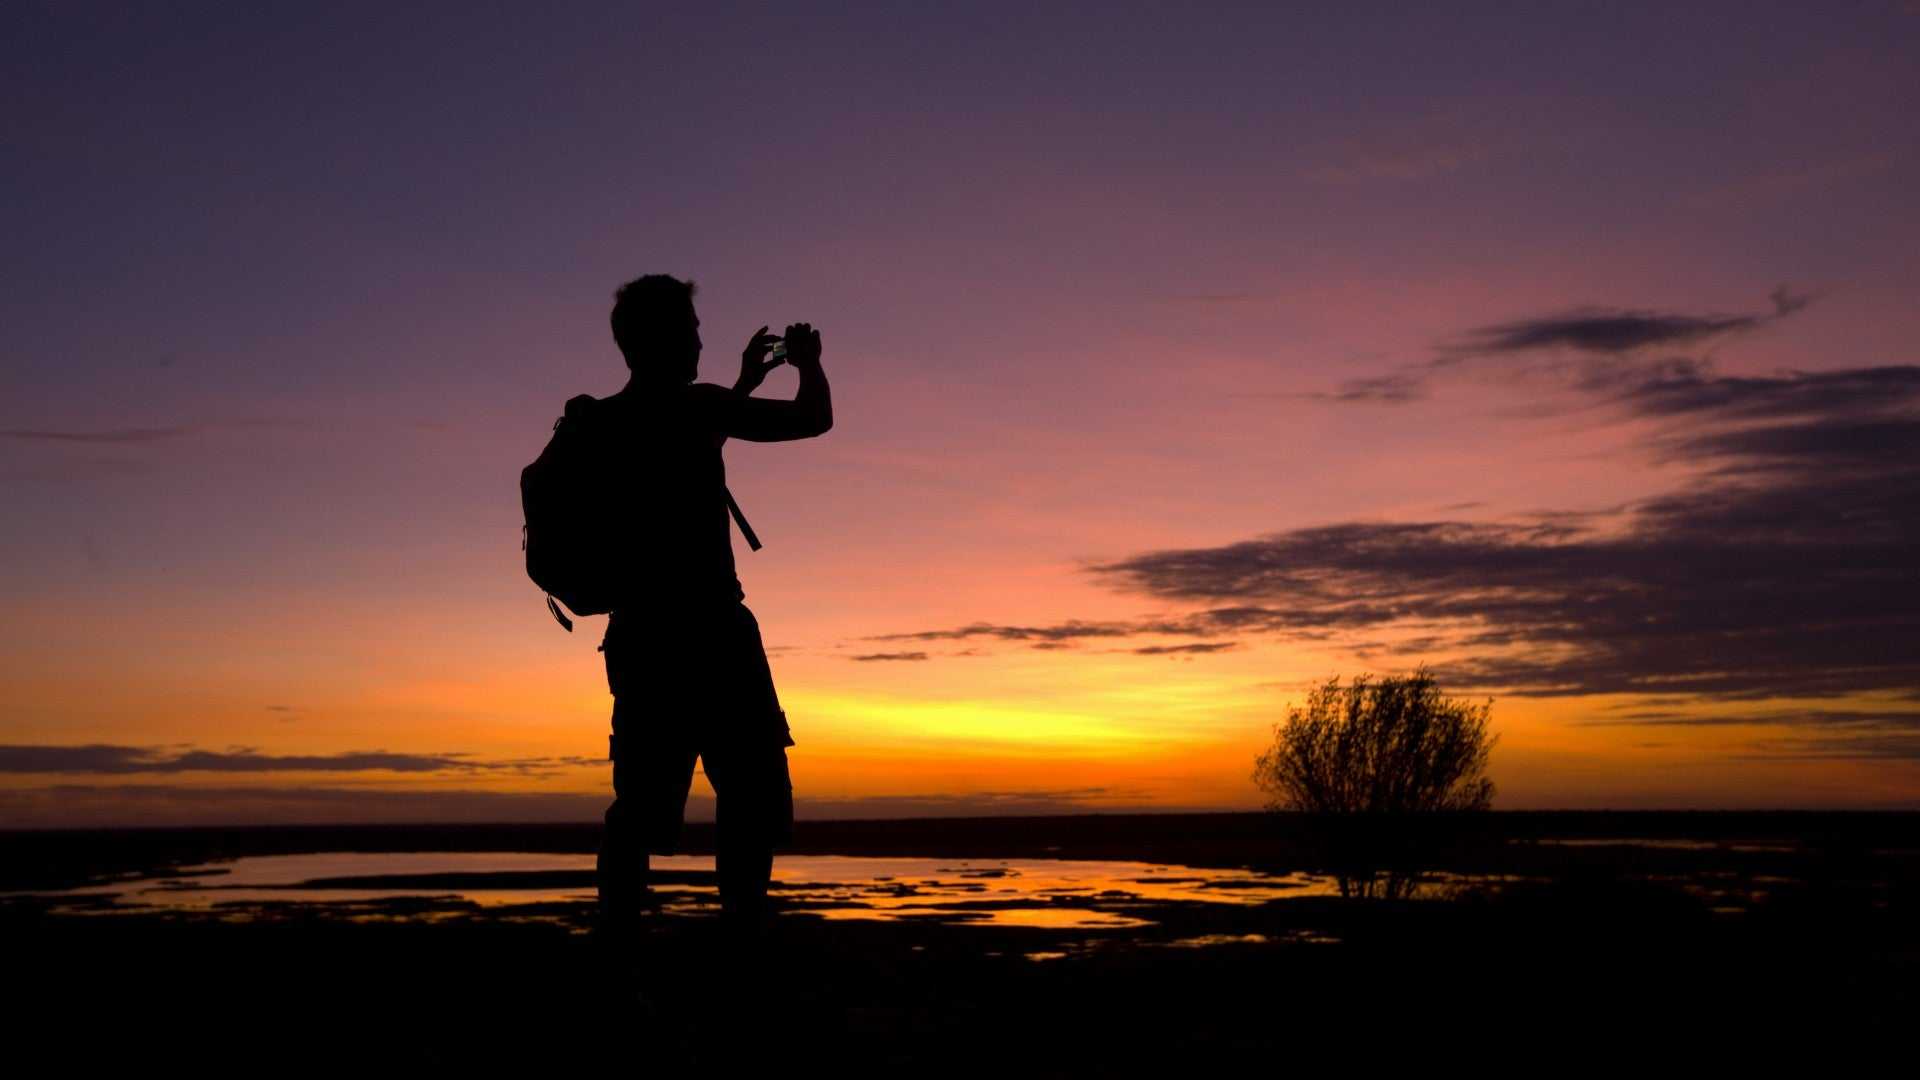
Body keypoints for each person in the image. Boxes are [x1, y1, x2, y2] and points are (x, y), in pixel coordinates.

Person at [587, 273, 831, 937]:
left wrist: (742, 385)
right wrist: (807, 365)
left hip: (641, 641)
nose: (699, 341)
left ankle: (615, 946)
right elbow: (814, 420)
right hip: (715, 636)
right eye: (692, 331)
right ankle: (743, 938)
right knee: (750, 799)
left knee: (636, 812)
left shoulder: (605, 423)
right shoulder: (698, 409)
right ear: (664, 339)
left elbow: (680, 458)